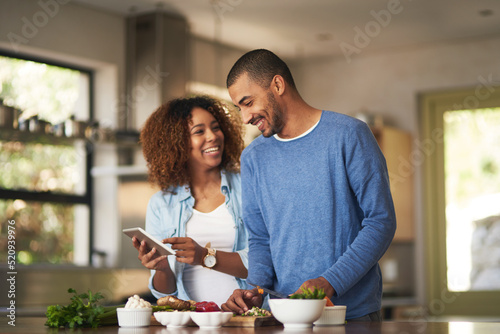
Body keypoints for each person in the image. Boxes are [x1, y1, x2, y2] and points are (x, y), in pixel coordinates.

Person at [220, 49, 397, 321]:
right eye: (239, 108)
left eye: (248, 102)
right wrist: (254, 289)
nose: (245, 118)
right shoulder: (253, 157)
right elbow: (260, 238)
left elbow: (380, 221)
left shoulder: (349, 135)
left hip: (350, 315)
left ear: (277, 85)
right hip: (282, 316)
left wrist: (330, 281)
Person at [133, 95, 248, 306]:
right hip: (192, 322)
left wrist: (204, 256)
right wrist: (161, 268)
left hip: (246, 318)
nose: (213, 136)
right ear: (176, 143)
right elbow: (165, 293)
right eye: (199, 131)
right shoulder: (161, 204)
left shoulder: (248, 187)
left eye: (216, 127)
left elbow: (264, 263)